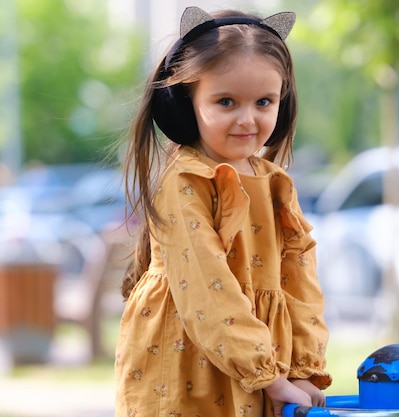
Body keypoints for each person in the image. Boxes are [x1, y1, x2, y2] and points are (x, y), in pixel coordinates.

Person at [114, 7, 332, 417]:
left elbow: (301, 282)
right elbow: (206, 285)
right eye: (226, 101)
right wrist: (266, 374)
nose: (247, 119)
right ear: (187, 103)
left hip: (263, 360)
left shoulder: (275, 182)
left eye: (264, 102)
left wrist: (303, 368)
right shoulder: (186, 182)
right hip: (188, 359)